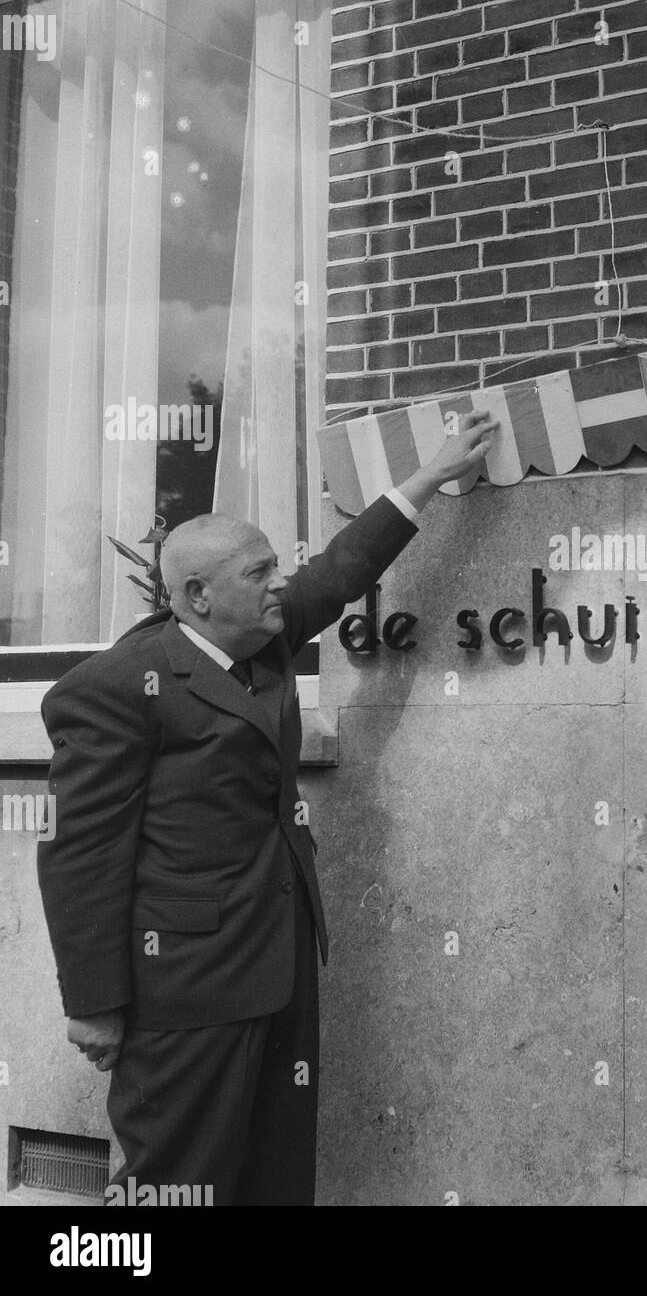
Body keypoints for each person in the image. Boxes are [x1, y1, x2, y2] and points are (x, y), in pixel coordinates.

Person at [36, 408, 497, 1206]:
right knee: (175, 1185)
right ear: (197, 595)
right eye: (258, 572)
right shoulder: (117, 689)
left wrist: (428, 478)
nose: (280, 582)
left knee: (274, 1175)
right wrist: (95, 1007)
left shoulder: (265, 638)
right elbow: (83, 857)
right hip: (181, 989)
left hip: (276, 964)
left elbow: (339, 571)